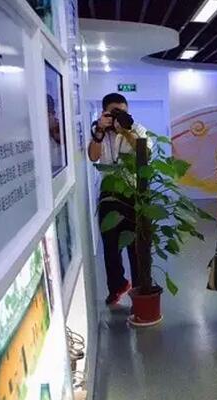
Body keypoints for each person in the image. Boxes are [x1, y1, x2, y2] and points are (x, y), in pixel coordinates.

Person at [88, 93, 150, 309]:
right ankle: (117, 286)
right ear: (104, 112)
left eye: (122, 112)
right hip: (109, 193)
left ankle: (141, 290)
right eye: (113, 112)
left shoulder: (137, 129)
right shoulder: (99, 131)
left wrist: (126, 131)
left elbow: (145, 154)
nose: (118, 116)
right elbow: (93, 157)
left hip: (134, 193)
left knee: (136, 246)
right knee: (110, 246)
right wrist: (99, 132)